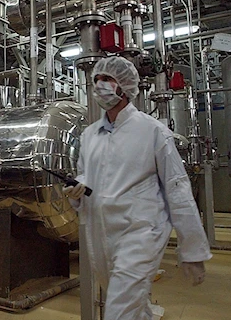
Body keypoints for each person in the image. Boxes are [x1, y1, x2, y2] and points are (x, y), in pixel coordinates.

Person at [64, 56, 212, 320]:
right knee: (130, 305)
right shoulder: (89, 136)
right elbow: (89, 177)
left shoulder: (152, 131)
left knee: (120, 310)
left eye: (107, 79)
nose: (100, 86)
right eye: (96, 80)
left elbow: (177, 188)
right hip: (101, 233)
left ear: (125, 86)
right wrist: (79, 190)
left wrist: (192, 249)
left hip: (141, 231)